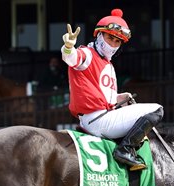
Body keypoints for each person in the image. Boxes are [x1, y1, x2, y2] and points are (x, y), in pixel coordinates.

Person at [60, 8, 164, 171]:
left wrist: (119, 98)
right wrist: (68, 47)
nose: (113, 44)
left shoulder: (107, 64)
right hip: (99, 119)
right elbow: (72, 58)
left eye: (118, 41)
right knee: (157, 110)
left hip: (99, 117)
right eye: (110, 38)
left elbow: (103, 97)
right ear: (99, 35)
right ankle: (125, 150)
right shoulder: (88, 53)